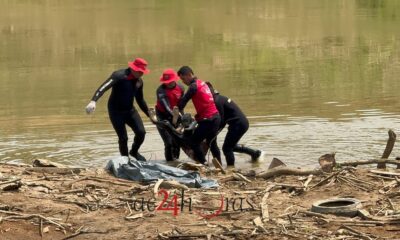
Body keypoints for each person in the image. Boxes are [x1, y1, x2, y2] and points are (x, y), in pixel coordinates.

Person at [85, 58, 150, 161]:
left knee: (141, 132)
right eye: (139, 71)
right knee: (123, 138)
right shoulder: (119, 75)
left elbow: (140, 100)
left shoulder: (139, 82)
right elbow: (103, 87)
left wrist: (149, 115)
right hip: (116, 112)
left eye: (142, 72)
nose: (141, 74)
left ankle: (134, 151)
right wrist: (94, 101)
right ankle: (125, 160)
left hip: (130, 110)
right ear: (133, 68)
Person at [206, 82, 261, 167]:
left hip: (238, 124)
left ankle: (231, 168)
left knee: (226, 148)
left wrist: (214, 132)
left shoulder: (217, 101)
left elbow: (221, 121)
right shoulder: (220, 98)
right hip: (241, 123)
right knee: (232, 146)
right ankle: (254, 153)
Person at [177, 66, 221, 164]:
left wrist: (177, 110)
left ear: (189, 75)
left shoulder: (193, 86)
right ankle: (220, 165)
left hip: (208, 120)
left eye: (183, 79)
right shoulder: (202, 83)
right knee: (212, 143)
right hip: (216, 117)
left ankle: (203, 164)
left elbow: (182, 103)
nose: (183, 82)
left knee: (193, 142)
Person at [155, 69, 185, 161]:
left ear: (174, 80)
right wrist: (175, 115)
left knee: (177, 140)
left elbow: (181, 104)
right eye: (165, 82)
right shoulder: (161, 90)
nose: (167, 83)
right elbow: (167, 107)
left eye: (169, 81)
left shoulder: (181, 88)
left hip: (176, 115)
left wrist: (182, 119)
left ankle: (176, 162)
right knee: (168, 143)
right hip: (162, 115)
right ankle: (169, 164)